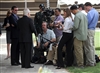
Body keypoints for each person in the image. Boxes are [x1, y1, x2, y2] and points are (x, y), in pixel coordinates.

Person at [84, 2, 99, 67]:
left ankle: (90, 62)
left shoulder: (90, 13)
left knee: (88, 47)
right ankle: (93, 61)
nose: (85, 9)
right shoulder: (96, 12)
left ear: (88, 6)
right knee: (92, 46)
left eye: (85, 7)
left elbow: (87, 22)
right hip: (93, 29)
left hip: (89, 29)